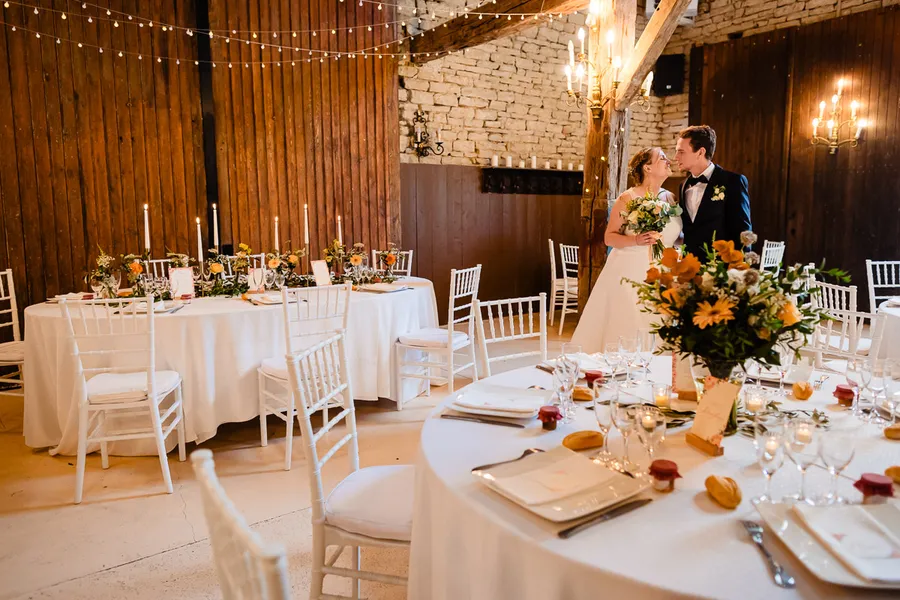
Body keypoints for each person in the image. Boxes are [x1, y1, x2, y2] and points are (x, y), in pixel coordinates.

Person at [571, 147, 682, 354]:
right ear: (647, 167)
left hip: (663, 271)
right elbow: (609, 237)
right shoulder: (628, 197)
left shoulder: (671, 198)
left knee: (660, 320)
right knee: (630, 320)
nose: (668, 160)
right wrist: (636, 239)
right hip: (630, 270)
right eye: (662, 158)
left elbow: (675, 236)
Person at [674, 125, 752, 259]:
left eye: (681, 152)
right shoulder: (683, 186)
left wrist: (739, 265)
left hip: (721, 265)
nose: (676, 157)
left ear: (700, 152)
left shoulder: (732, 182)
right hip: (690, 264)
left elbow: (743, 231)